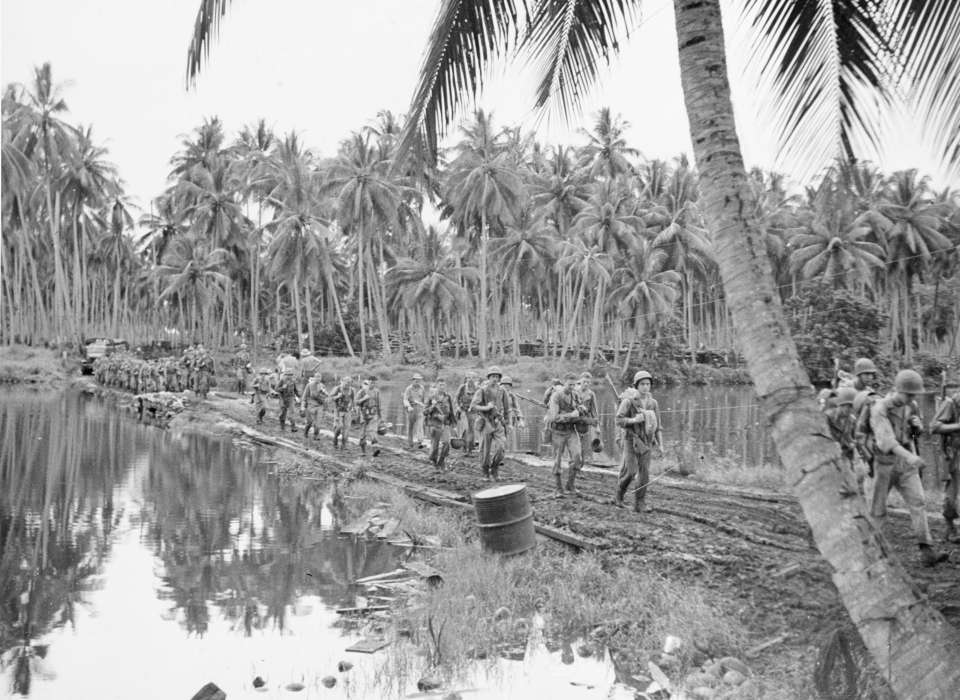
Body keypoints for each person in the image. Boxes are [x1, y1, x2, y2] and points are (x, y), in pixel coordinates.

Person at [869, 369, 948, 567]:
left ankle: (926, 550)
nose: (912, 398)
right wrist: (911, 457)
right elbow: (886, 441)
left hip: (905, 463)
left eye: (914, 395)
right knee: (877, 509)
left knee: (918, 501)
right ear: (896, 389)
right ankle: (875, 555)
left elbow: (914, 437)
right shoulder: (880, 408)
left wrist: (916, 429)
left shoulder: (911, 406)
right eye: (908, 394)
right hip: (884, 463)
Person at [614, 370, 662, 512]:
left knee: (645, 473)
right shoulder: (628, 401)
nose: (645, 387)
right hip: (630, 439)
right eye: (642, 384)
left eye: (648, 384)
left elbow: (658, 426)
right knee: (631, 471)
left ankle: (640, 503)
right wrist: (634, 420)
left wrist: (660, 445)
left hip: (646, 441)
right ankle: (619, 493)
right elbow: (618, 420)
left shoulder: (653, 403)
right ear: (636, 385)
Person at [545, 373, 585, 496]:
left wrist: (580, 410)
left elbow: (580, 407)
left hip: (571, 430)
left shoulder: (575, 395)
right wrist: (570, 415)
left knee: (578, 457)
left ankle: (570, 485)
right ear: (564, 383)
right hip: (558, 431)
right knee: (557, 461)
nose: (572, 387)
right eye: (569, 384)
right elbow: (554, 417)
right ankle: (558, 489)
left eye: (574, 385)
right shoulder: (556, 396)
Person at [470, 367, 511, 481]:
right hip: (485, 421)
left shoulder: (502, 391)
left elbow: (507, 408)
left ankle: (495, 468)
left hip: (498, 422)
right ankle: (485, 472)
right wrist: (486, 407)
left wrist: (508, 423)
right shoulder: (482, 390)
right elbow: (473, 406)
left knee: (501, 448)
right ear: (488, 377)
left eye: (497, 376)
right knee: (485, 450)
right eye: (492, 376)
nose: (495, 378)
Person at [931, 387, 960, 543]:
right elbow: (934, 427)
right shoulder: (950, 404)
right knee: (951, 495)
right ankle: (950, 527)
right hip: (951, 454)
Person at [823, 386, 860, 494]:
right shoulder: (826, 417)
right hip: (827, 455)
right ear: (841, 404)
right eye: (848, 406)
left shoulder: (851, 420)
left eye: (852, 407)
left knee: (854, 485)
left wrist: (853, 443)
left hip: (845, 455)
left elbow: (852, 437)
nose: (850, 410)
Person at [425, 378, 457, 471]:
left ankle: (441, 462)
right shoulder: (432, 397)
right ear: (436, 385)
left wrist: (454, 423)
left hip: (445, 423)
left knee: (446, 443)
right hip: (435, 424)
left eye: (443, 385)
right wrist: (433, 406)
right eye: (440, 385)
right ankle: (434, 461)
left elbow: (451, 410)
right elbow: (425, 412)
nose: (442, 387)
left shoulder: (448, 396)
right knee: (434, 447)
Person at [355, 376, 382, 457]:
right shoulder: (362, 391)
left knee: (373, 431)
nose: (373, 384)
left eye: (374, 382)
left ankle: (375, 450)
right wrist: (364, 399)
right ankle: (363, 451)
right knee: (362, 434)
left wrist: (380, 416)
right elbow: (356, 402)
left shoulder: (377, 392)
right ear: (368, 382)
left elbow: (378, 404)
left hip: (373, 414)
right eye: (371, 382)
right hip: (363, 414)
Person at [576, 372, 600, 462]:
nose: (586, 384)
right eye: (584, 381)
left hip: (585, 422)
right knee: (574, 443)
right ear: (580, 381)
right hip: (574, 421)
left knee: (583, 445)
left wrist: (597, 427)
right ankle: (574, 462)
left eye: (588, 382)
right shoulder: (574, 391)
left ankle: (581, 463)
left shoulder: (591, 394)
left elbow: (594, 411)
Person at [455, 372, 480, 453]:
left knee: (472, 429)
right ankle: (464, 446)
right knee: (466, 428)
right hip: (463, 411)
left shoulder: (477, 388)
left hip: (473, 411)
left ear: (475, 379)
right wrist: (458, 407)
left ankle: (471, 447)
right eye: (469, 377)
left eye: (473, 377)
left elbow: (481, 399)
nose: (470, 379)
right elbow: (456, 398)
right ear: (466, 378)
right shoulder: (462, 387)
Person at [329, 376, 355, 450]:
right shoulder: (337, 388)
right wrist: (337, 396)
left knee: (347, 428)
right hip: (338, 411)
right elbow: (330, 399)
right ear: (342, 381)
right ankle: (335, 438)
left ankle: (343, 445)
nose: (347, 384)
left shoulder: (352, 390)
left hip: (347, 411)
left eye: (349, 383)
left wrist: (354, 408)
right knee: (339, 426)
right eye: (346, 382)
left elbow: (353, 400)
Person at [499, 375, 525, 452]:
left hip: (509, 418)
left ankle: (503, 451)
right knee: (499, 435)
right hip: (499, 418)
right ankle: (499, 451)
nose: (506, 387)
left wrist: (520, 419)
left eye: (508, 385)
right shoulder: (497, 394)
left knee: (506, 435)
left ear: (510, 386)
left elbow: (517, 408)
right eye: (504, 385)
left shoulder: (512, 396)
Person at [301, 373, 329, 441]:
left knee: (318, 424)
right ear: (314, 378)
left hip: (319, 406)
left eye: (319, 377)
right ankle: (305, 433)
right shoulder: (309, 385)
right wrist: (302, 407)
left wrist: (325, 408)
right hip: (310, 406)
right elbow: (304, 397)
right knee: (309, 422)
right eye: (317, 377)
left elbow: (326, 397)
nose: (318, 379)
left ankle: (315, 435)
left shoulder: (322, 386)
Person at [403, 373, 427, 449]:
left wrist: (425, 408)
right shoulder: (408, 389)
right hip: (411, 409)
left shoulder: (422, 388)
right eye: (416, 380)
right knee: (410, 427)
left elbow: (423, 400)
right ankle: (410, 443)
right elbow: (405, 400)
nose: (418, 382)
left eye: (419, 380)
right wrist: (408, 406)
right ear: (413, 380)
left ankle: (420, 441)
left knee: (420, 425)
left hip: (420, 409)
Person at [276, 368, 300, 432]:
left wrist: (299, 397)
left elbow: (296, 390)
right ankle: (282, 426)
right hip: (282, 398)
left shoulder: (293, 381)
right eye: (287, 375)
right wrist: (282, 388)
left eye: (290, 375)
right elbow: (276, 389)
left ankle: (293, 427)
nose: (289, 376)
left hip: (291, 398)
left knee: (292, 412)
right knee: (283, 413)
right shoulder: (282, 380)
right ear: (285, 375)